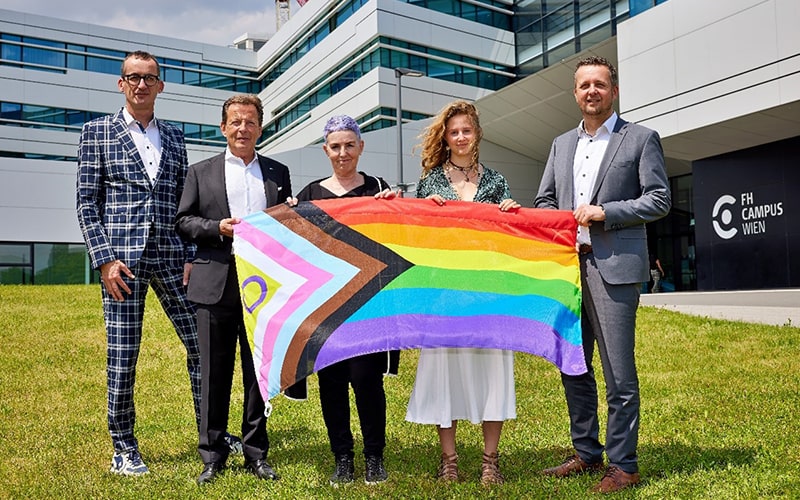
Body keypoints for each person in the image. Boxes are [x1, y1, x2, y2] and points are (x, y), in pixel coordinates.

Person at [534, 56, 671, 493]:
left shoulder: (641, 139)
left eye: (600, 84)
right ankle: (587, 453)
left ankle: (624, 465)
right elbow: (544, 201)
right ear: (575, 94)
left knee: (618, 373)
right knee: (573, 367)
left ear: (613, 90)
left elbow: (659, 199)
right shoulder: (559, 144)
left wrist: (604, 213)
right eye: (583, 85)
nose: (591, 91)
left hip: (614, 269)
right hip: (567, 271)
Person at [76, 50, 203, 476]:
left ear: (161, 86)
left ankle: (212, 433)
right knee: (123, 356)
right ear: (121, 83)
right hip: (122, 265)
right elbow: (86, 203)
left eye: (149, 78)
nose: (141, 85)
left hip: (172, 257)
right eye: (133, 77)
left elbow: (186, 204)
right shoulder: (96, 133)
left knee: (201, 346)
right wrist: (104, 260)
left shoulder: (177, 137)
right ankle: (124, 446)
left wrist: (189, 255)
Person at [175, 94, 290, 485]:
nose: (243, 129)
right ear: (223, 128)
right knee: (214, 373)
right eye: (235, 122)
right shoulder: (200, 172)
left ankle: (256, 453)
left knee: (258, 375)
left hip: (265, 286)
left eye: (250, 122)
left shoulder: (277, 172)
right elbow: (184, 221)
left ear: (261, 127)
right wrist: (216, 228)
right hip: (215, 284)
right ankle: (212, 455)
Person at [405, 100, 520, 486]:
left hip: (488, 293)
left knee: (493, 373)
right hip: (445, 295)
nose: (460, 137)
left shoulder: (497, 182)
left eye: (466, 130)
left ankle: (491, 461)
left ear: (477, 133)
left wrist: (511, 212)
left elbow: (510, 237)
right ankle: (449, 461)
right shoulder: (430, 182)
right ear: (446, 137)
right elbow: (417, 238)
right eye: (453, 132)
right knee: (444, 375)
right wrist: (425, 210)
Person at [286, 115, 397, 486]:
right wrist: (286, 214)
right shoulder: (310, 195)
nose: (343, 152)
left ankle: (374, 457)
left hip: (367, 303)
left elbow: (396, 235)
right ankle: (343, 457)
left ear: (361, 147)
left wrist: (394, 206)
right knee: (331, 382)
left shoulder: (379, 189)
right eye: (336, 146)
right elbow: (294, 246)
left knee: (367, 381)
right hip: (326, 304)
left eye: (350, 145)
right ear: (325, 150)